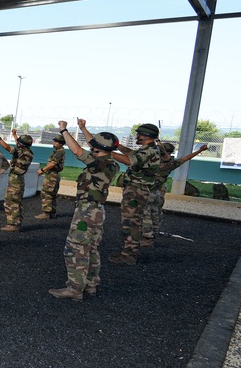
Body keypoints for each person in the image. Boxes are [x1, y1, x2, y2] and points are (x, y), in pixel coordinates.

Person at [48, 120, 120, 300]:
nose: (91, 145)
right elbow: (91, 145)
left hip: (87, 213)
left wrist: (64, 130)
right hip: (96, 211)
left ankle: (74, 289)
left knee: (75, 247)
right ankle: (90, 285)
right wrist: (82, 129)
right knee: (91, 248)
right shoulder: (108, 162)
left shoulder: (101, 164)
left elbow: (77, 151)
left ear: (98, 147)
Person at [109, 123, 162, 265]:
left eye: (139, 134)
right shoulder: (148, 150)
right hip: (137, 190)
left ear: (145, 136)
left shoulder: (149, 151)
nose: (137, 136)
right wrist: (118, 146)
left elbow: (129, 160)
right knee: (133, 221)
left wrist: (108, 152)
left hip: (136, 191)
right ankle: (128, 252)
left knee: (131, 223)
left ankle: (129, 255)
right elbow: (131, 153)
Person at [141, 142, 208, 246]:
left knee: (145, 213)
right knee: (156, 212)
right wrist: (200, 150)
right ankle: (154, 232)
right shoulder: (170, 164)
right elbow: (186, 158)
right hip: (158, 192)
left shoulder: (151, 163)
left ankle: (147, 237)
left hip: (148, 191)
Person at [0, 129, 34, 232]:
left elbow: (7, 147)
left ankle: (13, 224)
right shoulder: (27, 152)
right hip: (19, 179)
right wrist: (15, 135)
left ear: (21, 145)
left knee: (11, 202)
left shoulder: (20, 152)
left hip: (15, 180)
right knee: (16, 201)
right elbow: (19, 144)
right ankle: (16, 223)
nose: (17, 144)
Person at [35, 135, 67, 219]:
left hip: (52, 175)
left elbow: (53, 163)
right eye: (54, 141)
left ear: (61, 144)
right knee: (52, 194)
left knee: (47, 193)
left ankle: (46, 213)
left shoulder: (59, 152)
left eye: (56, 142)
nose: (54, 143)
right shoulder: (59, 151)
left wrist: (42, 170)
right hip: (54, 174)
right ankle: (52, 212)